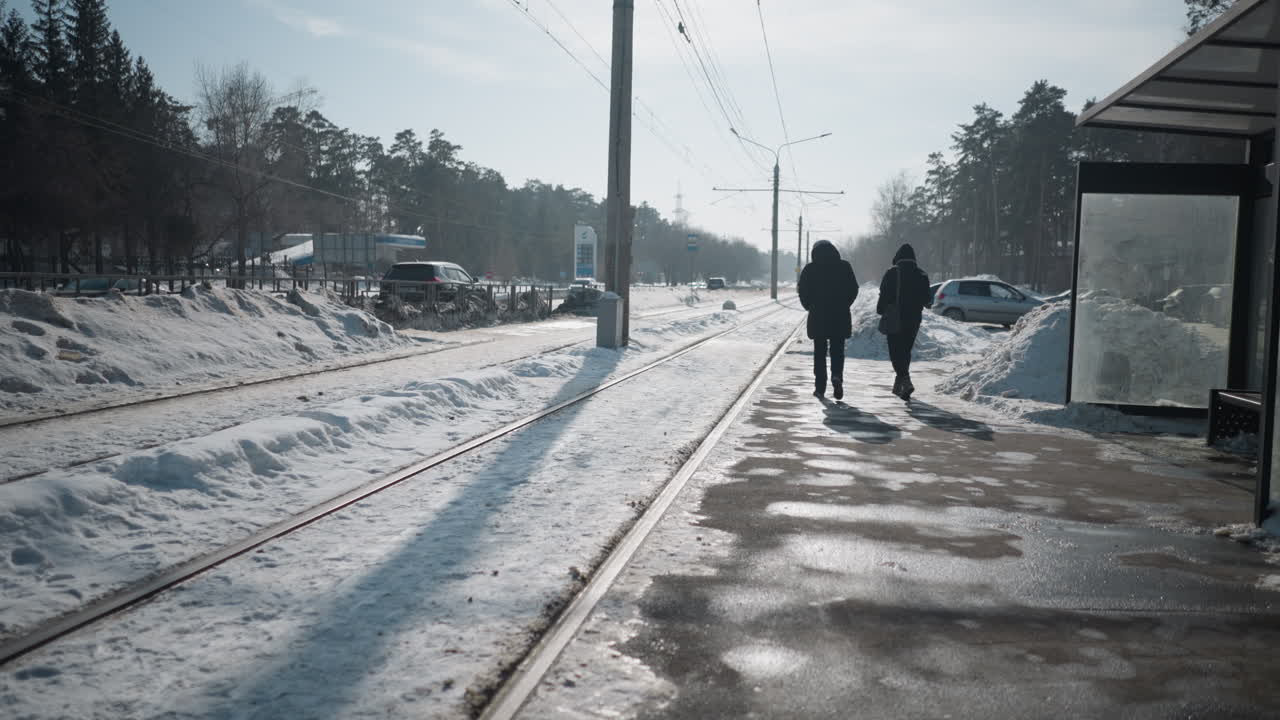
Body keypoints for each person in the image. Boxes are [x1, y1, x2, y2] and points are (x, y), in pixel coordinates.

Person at [798, 240, 858, 399]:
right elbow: (854, 288)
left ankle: (820, 388)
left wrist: (809, 306)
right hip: (840, 315)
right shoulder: (844, 266)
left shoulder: (810, 269)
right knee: (838, 349)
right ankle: (837, 376)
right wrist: (845, 304)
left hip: (818, 316)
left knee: (819, 352)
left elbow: (802, 289)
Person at [876, 243, 932, 400]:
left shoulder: (892, 273)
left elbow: (884, 294)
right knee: (905, 351)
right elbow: (927, 299)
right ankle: (899, 385)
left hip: (895, 317)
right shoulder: (922, 274)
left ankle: (905, 381)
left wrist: (880, 309)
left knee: (895, 351)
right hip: (913, 319)